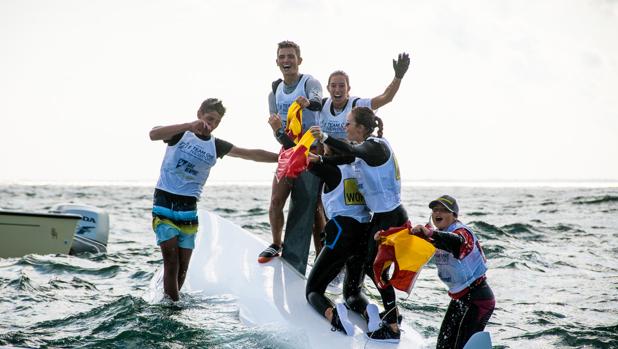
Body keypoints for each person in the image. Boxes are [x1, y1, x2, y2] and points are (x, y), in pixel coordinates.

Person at [149, 98, 278, 301]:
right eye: (209, 119)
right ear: (199, 113)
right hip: (165, 203)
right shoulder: (180, 134)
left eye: (216, 122)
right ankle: (172, 310)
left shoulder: (215, 145)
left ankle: (170, 302)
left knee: (183, 269)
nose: (211, 125)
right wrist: (188, 125)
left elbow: (250, 154)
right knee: (171, 262)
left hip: (189, 209)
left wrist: (283, 156)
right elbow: (153, 133)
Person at [309, 107, 408, 343]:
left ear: (362, 128)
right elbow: (346, 157)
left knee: (378, 272)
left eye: (349, 123)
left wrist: (323, 137)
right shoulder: (368, 149)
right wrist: (321, 158)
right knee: (371, 271)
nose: (345, 127)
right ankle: (386, 315)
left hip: (389, 217)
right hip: (380, 218)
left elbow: (350, 151)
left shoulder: (376, 146)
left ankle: (393, 325)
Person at [259, 40, 325, 276]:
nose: (287, 61)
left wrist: (307, 103)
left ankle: (321, 258)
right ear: (277, 61)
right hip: (288, 150)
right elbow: (277, 130)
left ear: (299, 60)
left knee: (314, 209)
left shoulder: (309, 82)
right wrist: (277, 130)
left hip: (312, 151)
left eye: (291, 56)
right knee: (276, 201)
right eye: (282, 57)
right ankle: (277, 243)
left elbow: (317, 102)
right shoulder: (273, 93)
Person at [304, 145, 382, 336]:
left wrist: (280, 134)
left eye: (324, 150)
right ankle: (369, 312)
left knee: (313, 290)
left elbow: (302, 158)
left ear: (330, 154)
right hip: (365, 234)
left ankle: (334, 316)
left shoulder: (331, 170)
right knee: (352, 293)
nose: (321, 153)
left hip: (342, 234)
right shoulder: (360, 171)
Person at [412, 195, 495, 349]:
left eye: (444, 210)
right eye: (435, 210)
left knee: (460, 346)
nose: (438, 213)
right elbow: (412, 236)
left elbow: (455, 241)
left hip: (478, 298)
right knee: (443, 346)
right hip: (459, 298)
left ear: (454, 215)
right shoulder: (436, 234)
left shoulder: (463, 233)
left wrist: (430, 234)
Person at [320, 53, 410, 140]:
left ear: (348, 89)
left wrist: (398, 77)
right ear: (328, 88)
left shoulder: (358, 105)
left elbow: (386, 97)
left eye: (342, 86)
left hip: (353, 152)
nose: (337, 90)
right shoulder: (321, 105)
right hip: (327, 154)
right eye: (333, 85)